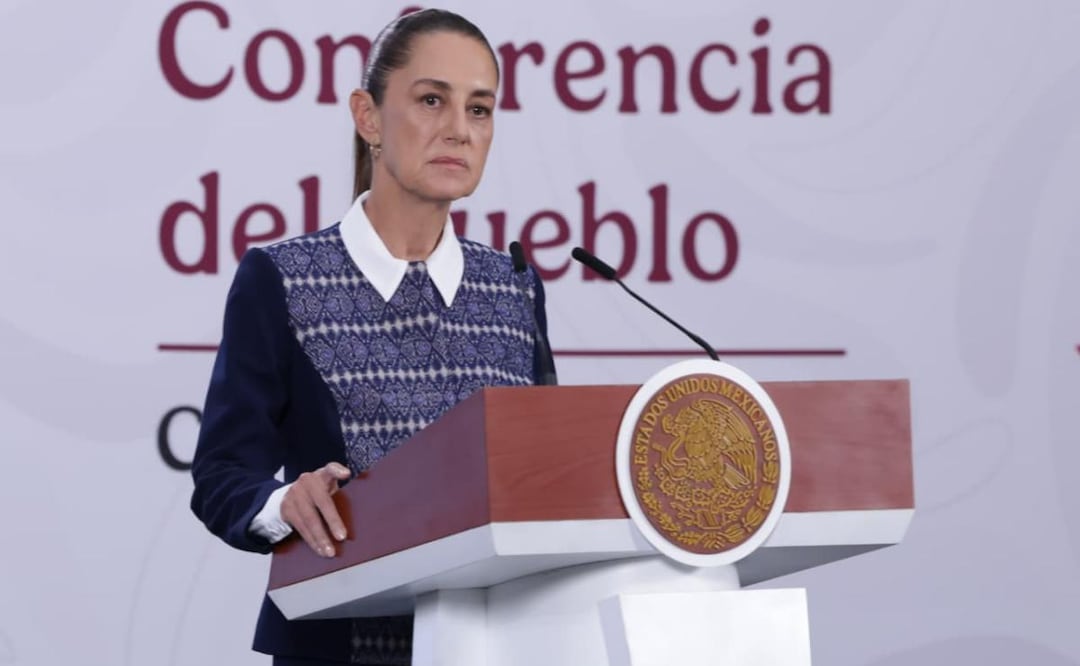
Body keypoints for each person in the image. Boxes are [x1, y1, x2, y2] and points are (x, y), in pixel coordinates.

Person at [189, 9, 553, 665]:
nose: (458, 131)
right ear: (369, 117)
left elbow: (546, 479)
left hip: (502, 645)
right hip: (337, 645)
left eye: (480, 109)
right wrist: (283, 503)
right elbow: (221, 475)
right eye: (431, 100)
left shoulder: (515, 287)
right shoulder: (282, 279)